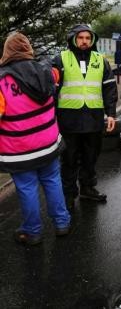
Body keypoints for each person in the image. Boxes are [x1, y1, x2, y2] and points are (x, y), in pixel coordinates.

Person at [0, 32, 71, 246]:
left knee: (27, 187)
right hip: (48, 144)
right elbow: (57, 73)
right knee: (52, 180)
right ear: (28, 49)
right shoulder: (47, 72)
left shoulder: (3, 81)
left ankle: (32, 231)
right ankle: (62, 223)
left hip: (19, 149)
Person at [52, 24, 117, 210]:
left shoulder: (100, 60)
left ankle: (88, 189)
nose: (84, 41)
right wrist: (52, 116)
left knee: (91, 156)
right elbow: (52, 90)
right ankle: (69, 194)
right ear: (73, 39)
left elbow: (110, 88)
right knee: (69, 158)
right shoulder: (60, 59)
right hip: (69, 119)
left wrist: (111, 114)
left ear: (92, 40)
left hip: (93, 118)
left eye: (88, 38)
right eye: (80, 38)